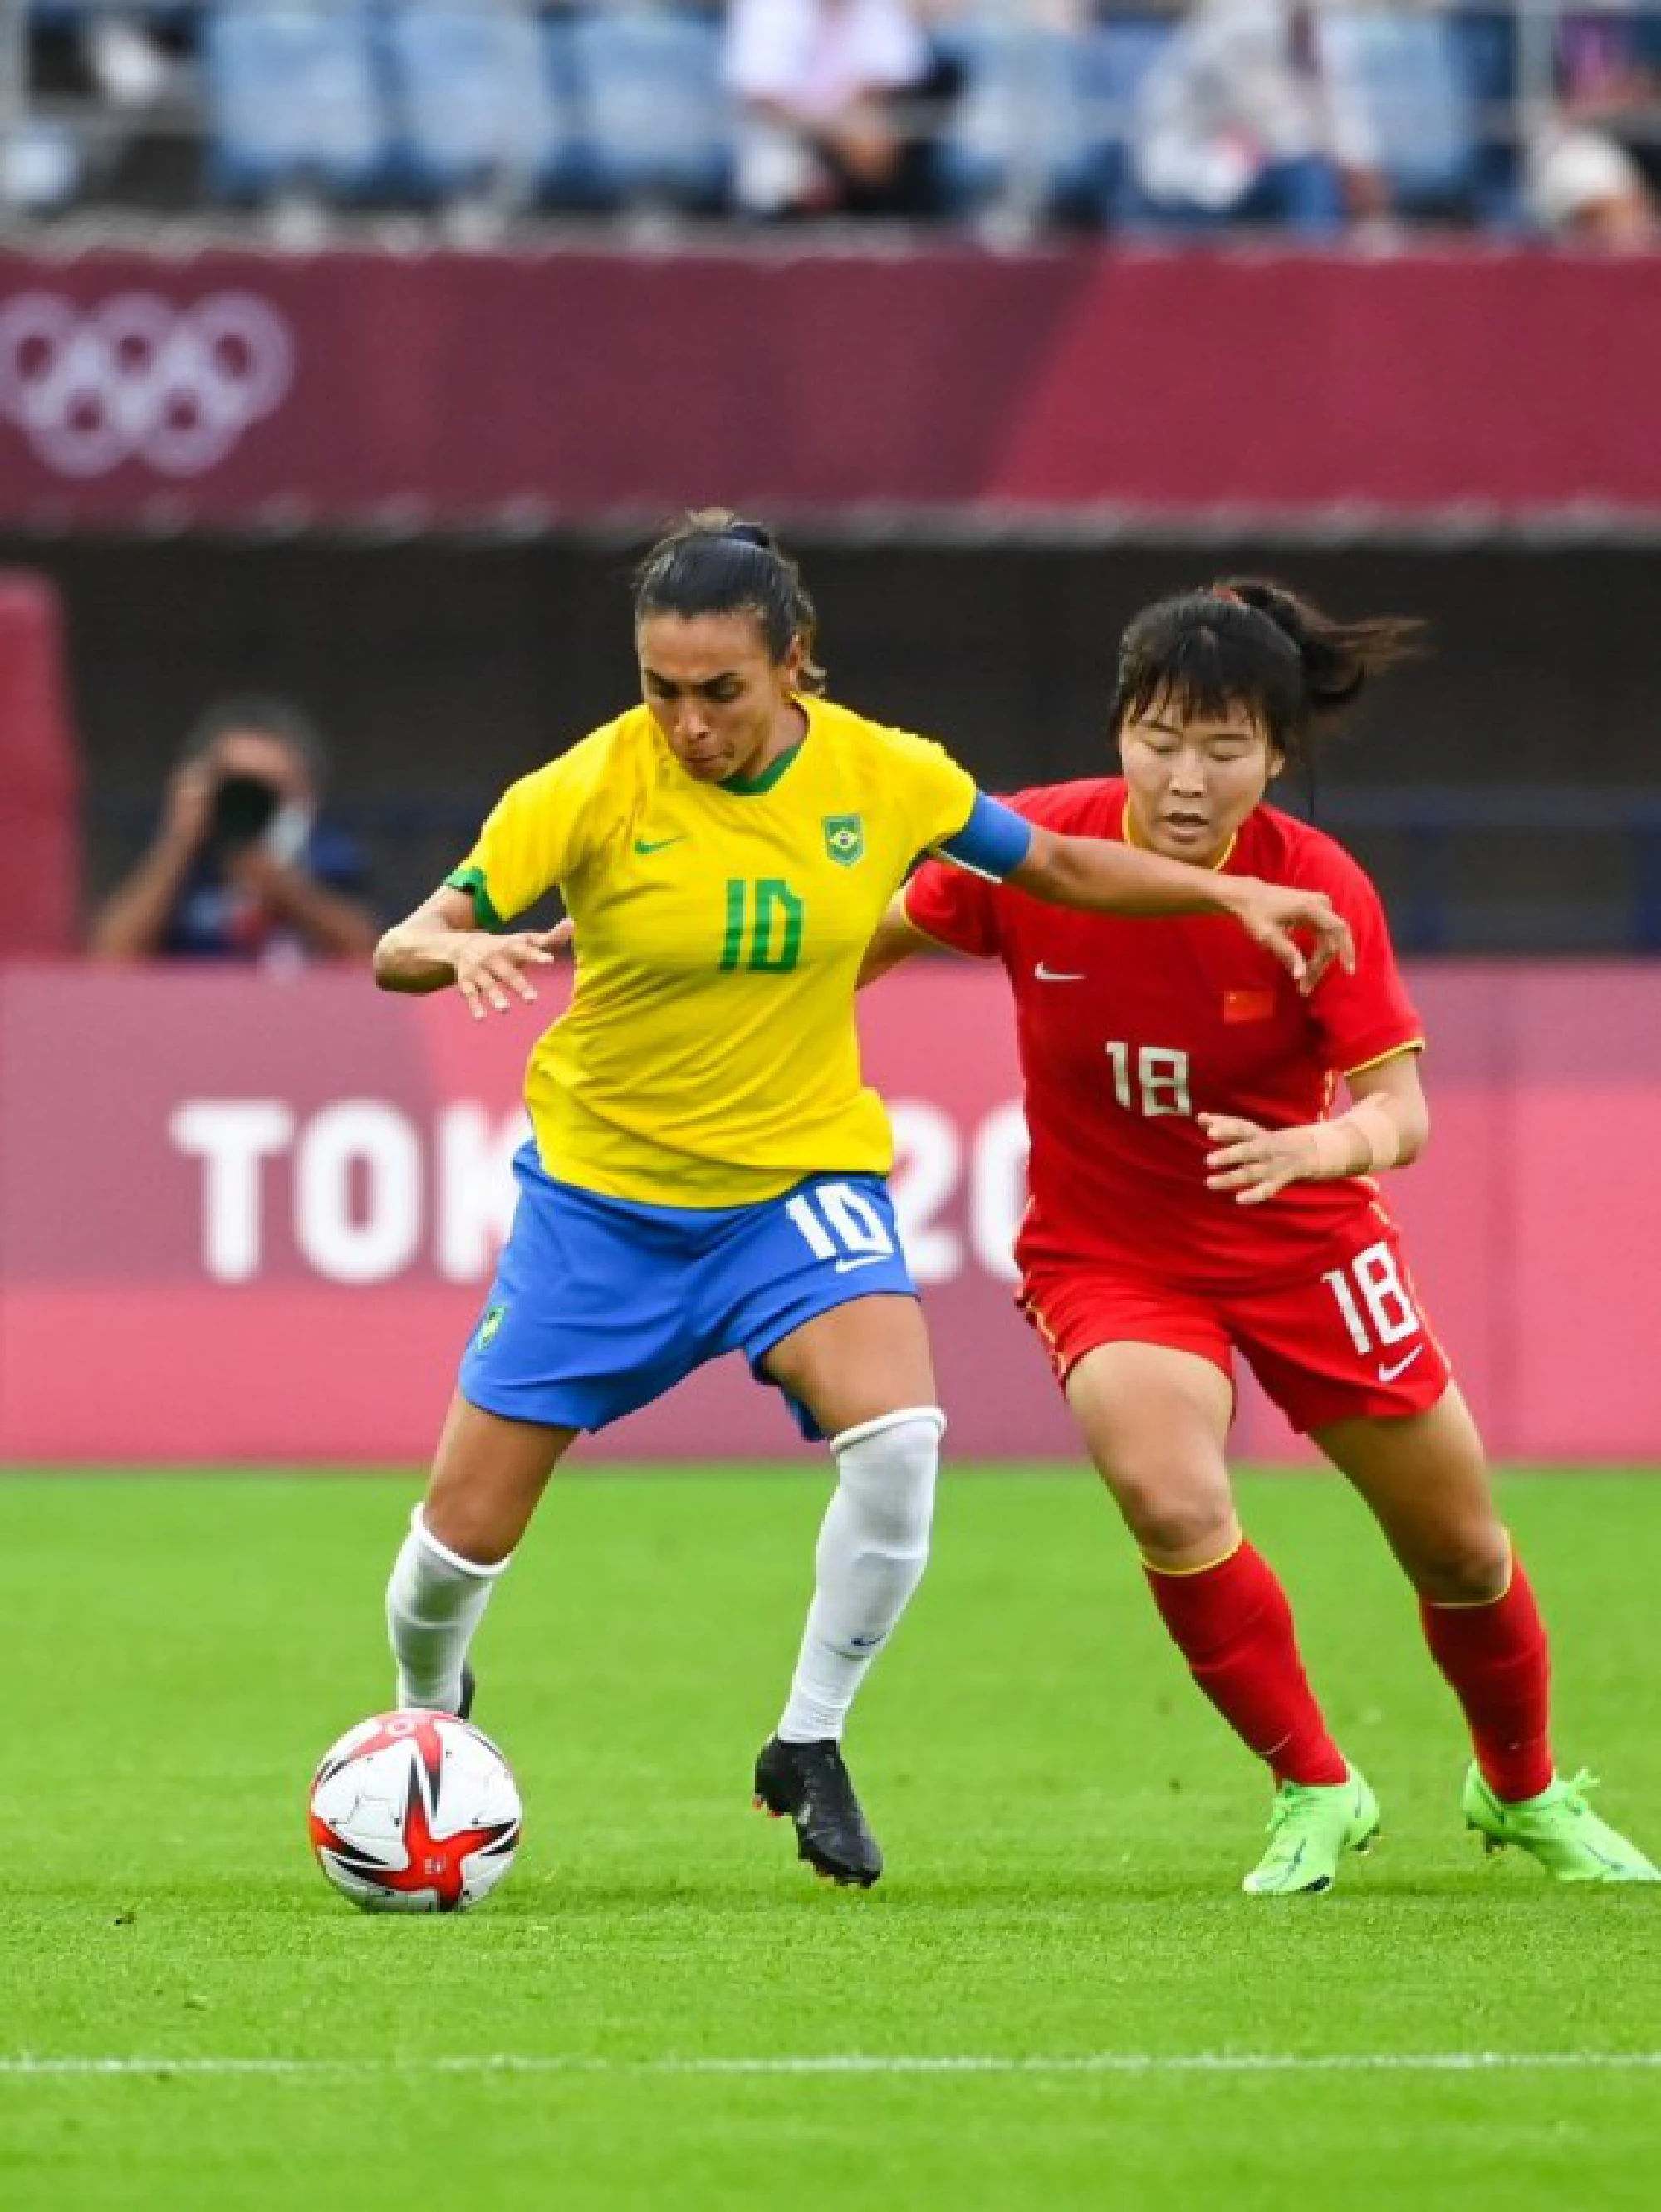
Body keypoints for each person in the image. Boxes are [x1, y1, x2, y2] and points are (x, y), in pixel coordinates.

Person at [369, 513, 1354, 1890]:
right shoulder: (587, 788)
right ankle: (428, 1710)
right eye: (661, 688)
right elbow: (407, 938)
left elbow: (1057, 864)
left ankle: (808, 1741)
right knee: (452, 1550)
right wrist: (445, 948)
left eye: (719, 691)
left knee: (899, 1435)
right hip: (602, 1203)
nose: (688, 722)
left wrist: (1220, 898)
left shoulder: (887, 774)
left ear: (795, 666)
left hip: (798, 1183)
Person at [862, 576, 1658, 1894]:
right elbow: (873, 936)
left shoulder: (1316, 886)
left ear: (1277, 757)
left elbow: (1401, 1109)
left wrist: (1321, 1146)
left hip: (1308, 1244)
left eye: (1224, 749)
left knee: (1458, 1547)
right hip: (1111, 1253)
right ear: (1119, 727)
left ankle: (1519, 1788)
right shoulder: (1034, 847)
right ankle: (1314, 1785)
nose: (1186, 778)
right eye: (1160, 738)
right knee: (1170, 1497)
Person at [87, 696, 376, 968]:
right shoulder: (184, 866)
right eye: (236, 788)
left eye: (267, 791)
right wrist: (177, 843)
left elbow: (367, 956)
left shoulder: (327, 856)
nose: (248, 805)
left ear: (305, 795)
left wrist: (282, 886)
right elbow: (110, 959)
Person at [723, 0, 959, 220]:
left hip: (861, 133)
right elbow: (762, 96)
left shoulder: (882, 9)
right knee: (773, 171)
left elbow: (897, 79)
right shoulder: (766, 8)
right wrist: (829, 123)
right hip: (782, 134)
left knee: (878, 136)